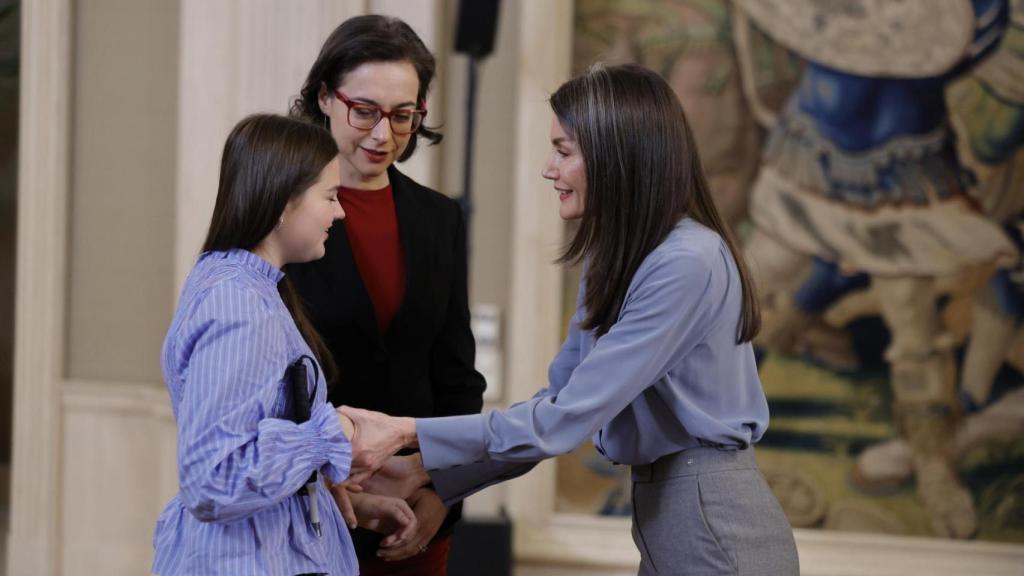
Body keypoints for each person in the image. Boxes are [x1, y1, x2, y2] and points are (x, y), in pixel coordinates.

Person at [342, 64, 800, 576]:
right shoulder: (615, 259)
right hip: (676, 515)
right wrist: (433, 476)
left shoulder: (687, 260)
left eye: (563, 150)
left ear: (614, 157)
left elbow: (566, 420)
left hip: (713, 523)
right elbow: (556, 407)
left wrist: (408, 433)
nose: (547, 168)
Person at [152, 114, 417, 575]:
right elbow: (214, 480)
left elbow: (249, 444)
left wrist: (334, 495)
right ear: (283, 201)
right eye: (330, 196)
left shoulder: (246, 289)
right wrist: (333, 435)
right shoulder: (238, 303)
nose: (340, 212)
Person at [288, 14, 486, 574]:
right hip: (309, 514)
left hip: (413, 516)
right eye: (365, 111)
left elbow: (457, 377)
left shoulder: (438, 217)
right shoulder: (281, 210)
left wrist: (442, 495)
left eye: (403, 116)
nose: (384, 135)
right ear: (325, 96)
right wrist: (331, 487)